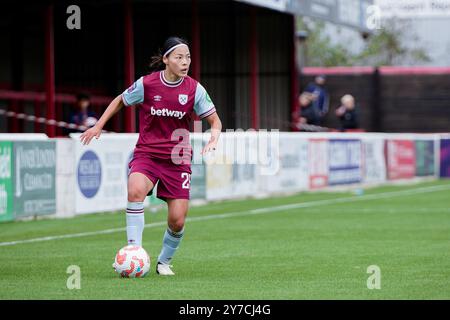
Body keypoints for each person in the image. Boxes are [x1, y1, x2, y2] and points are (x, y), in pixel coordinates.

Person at [80, 37, 222, 276]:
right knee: (135, 190)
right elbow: (119, 101)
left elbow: (214, 120)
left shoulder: (195, 89)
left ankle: (164, 262)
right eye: (179, 57)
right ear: (166, 59)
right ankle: (134, 251)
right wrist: (98, 126)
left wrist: (214, 137)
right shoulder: (147, 84)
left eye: (187, 57)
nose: (185, 62)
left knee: (177, 221)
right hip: (147, 154)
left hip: (178, 160)